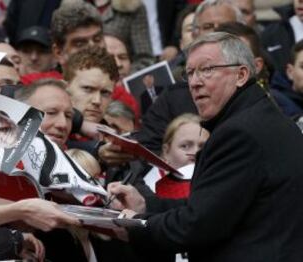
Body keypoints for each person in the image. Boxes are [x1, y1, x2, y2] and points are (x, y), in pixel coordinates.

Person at [108, 32, 303, 261]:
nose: (194, 82)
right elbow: (214, 205)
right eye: (189, 73)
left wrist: (137, 227)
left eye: (207, 69)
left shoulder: (240, 132)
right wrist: (146, 204)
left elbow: (198, 225)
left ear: (241, 75)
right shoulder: (264, 119)